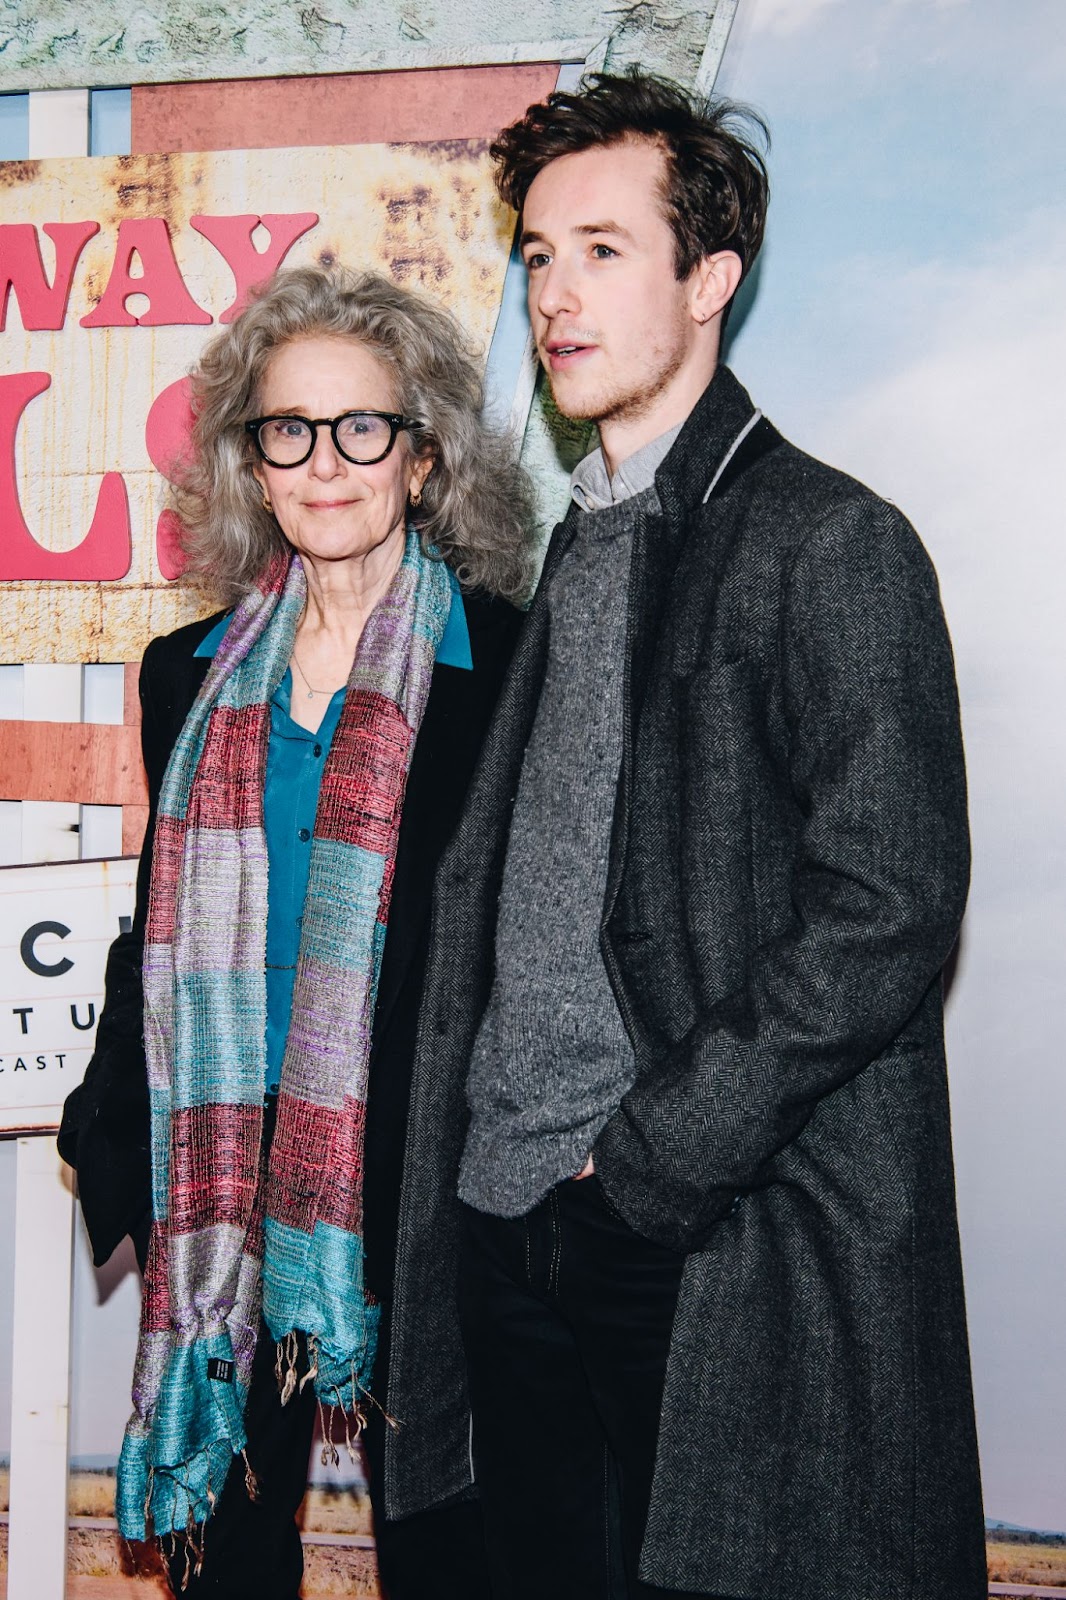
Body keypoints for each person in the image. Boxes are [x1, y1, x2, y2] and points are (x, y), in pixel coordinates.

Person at [376, 71, 988, 1600]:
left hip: (696, 1236)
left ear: (709, 278)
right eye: (534, 255)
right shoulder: (575, 544)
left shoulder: (828, 541)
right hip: (509, 1220)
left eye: (601, 250)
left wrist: (648, 1169)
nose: (555, 296)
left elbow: (889, 905)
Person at [58, 263, 533, 1600]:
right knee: (233, 1560)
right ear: (249, 463)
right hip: (219, 1168)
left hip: (425, 1181)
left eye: (362, 427)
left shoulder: (508, 664)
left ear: (425, 456)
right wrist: (111, 1119)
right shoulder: (187, 674)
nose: (325, 463)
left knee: (447, 1546)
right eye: (287, 430)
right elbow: (159, 914)